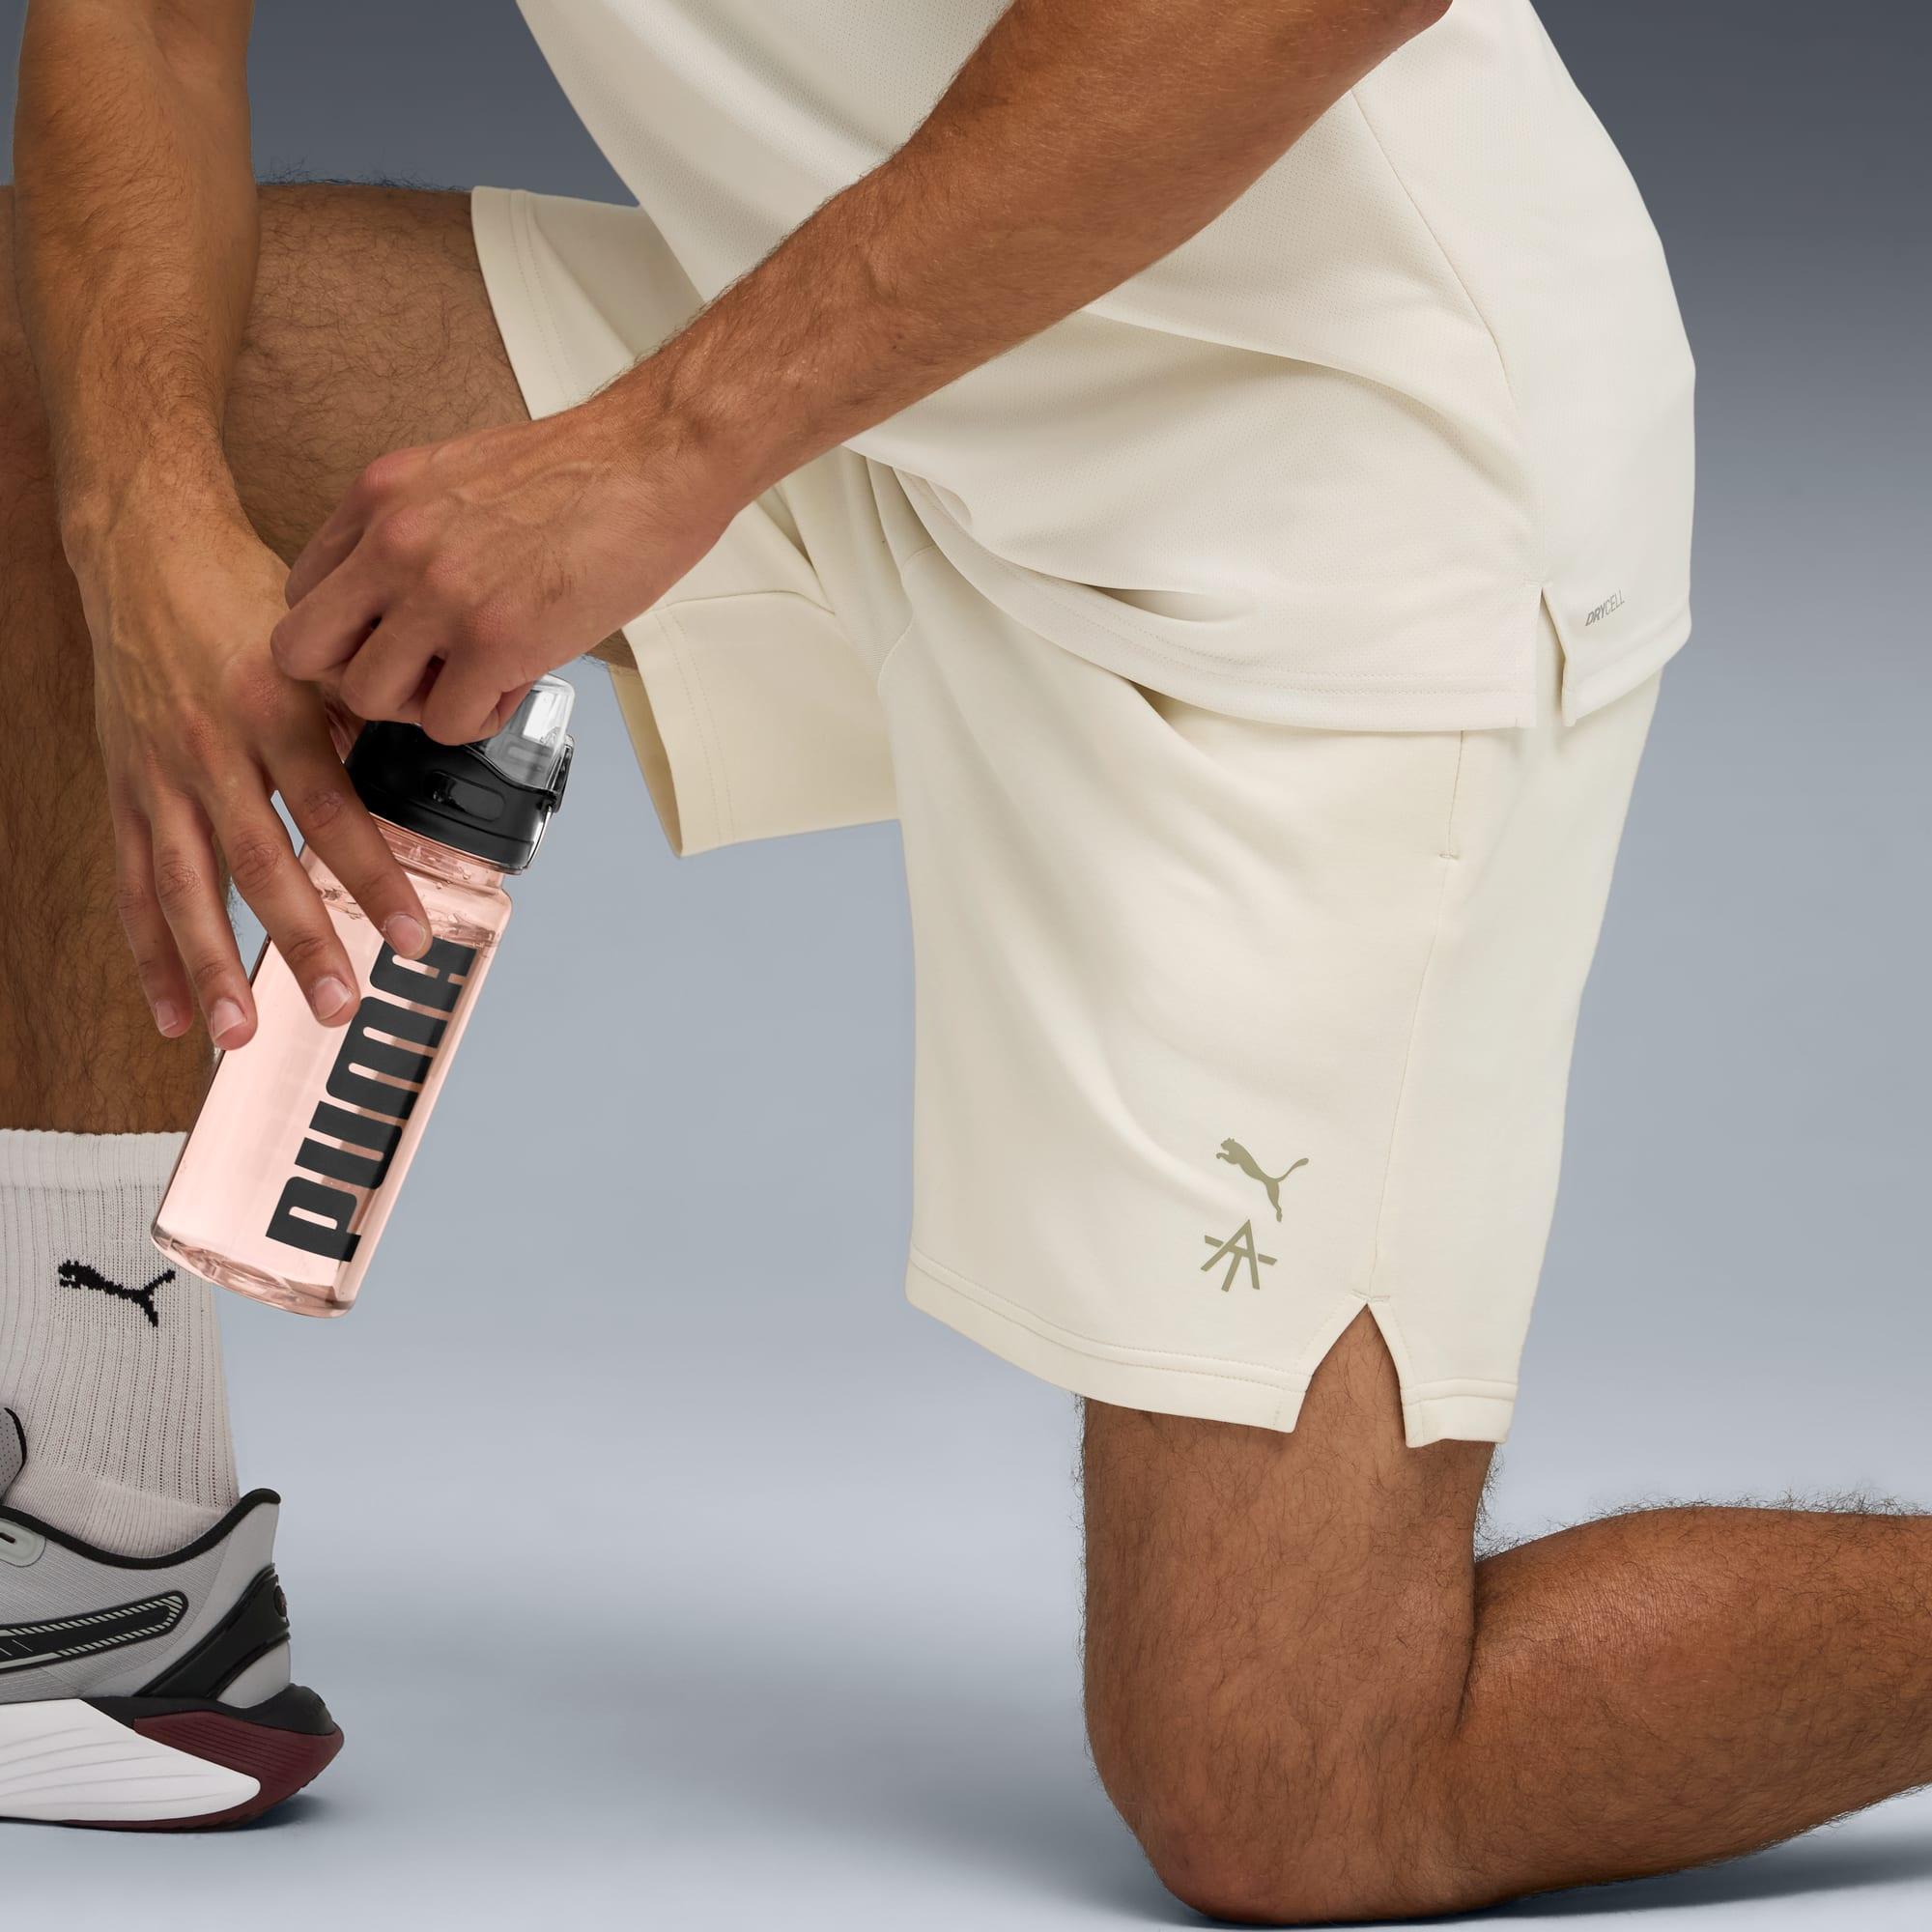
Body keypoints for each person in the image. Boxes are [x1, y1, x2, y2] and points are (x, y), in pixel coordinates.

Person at [0, 0, 1919, 1911]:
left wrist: (660, 449)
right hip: (886, 385)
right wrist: (140, 523)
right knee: (62, 369)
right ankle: (102, 1555)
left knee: (1297, 1786)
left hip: (1318, 476)